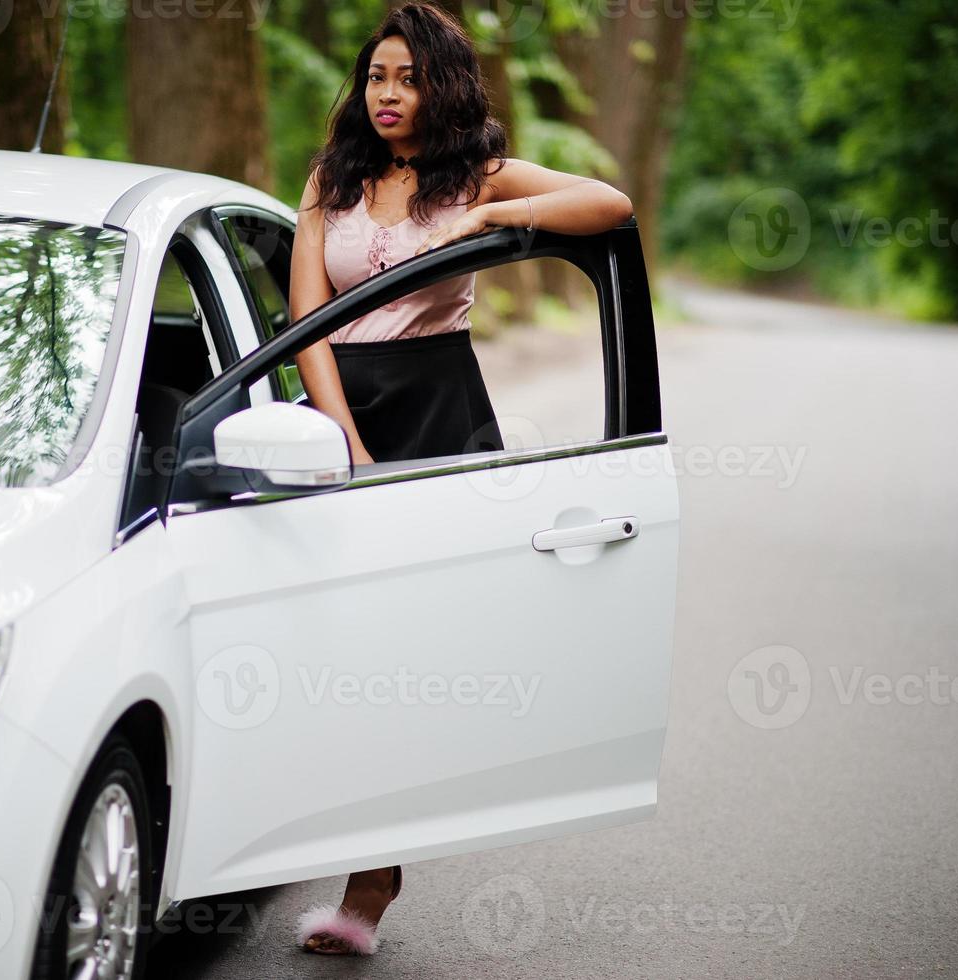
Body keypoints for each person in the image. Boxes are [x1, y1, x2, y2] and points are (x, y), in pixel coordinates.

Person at [288, 1, 635, 956]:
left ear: (440, 84)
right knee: (323, 649)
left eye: (406, 77)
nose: (387, 95)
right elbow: (305, 318)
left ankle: (370, 871)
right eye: (374, 77)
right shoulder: (333, 177)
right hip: (335, 416)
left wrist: (490, 217)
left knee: (399, 658)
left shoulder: (475, 172)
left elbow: (607, 205)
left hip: (443, 418)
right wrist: (344, 446)